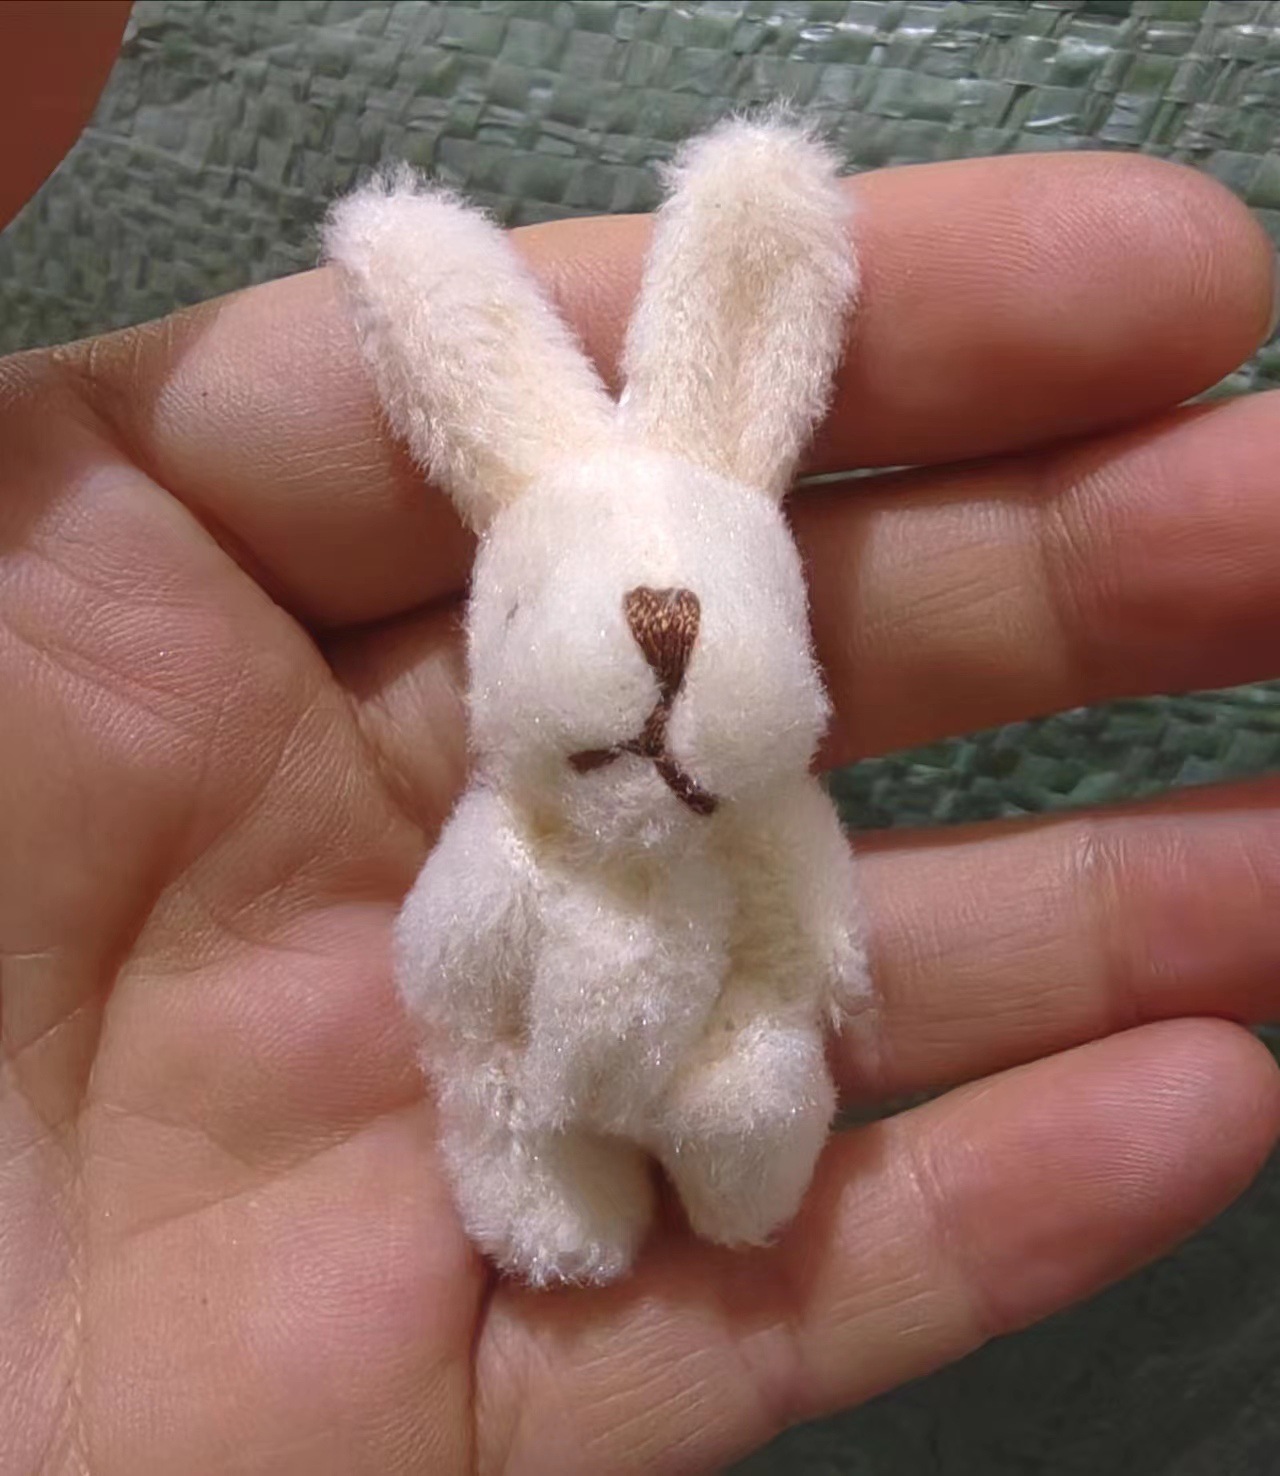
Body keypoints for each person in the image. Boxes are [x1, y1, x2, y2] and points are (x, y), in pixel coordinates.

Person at [3, 7, 1279, 1473]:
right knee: (514, 1119)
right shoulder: (517, 833)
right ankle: (557, 1175)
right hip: (550, 1058)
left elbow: (803, 918)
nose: (665, 648)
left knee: (759, 1084)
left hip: (704, 1032)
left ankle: (739, 1165)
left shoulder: (758, 812)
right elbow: (455, 969)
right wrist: (483, 1018)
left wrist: (809, 970)